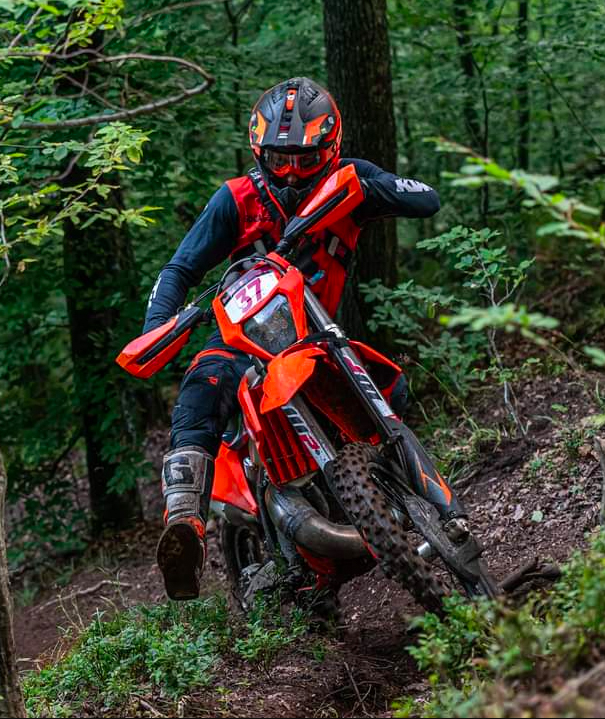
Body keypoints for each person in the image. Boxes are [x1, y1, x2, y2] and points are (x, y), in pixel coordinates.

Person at [148, 77, 441, 600]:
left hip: (317, 336)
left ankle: (408, 501)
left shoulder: (350, 182)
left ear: (331, 148)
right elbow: (179, 268)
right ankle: (184, 523)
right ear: (258, 151)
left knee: (389, 387)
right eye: (279, 160)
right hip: (243, 343)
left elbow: (427, 200)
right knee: (201, 381)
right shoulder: (235, 199)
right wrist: (159, 325)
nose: (290, 173)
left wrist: (373, 186)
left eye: (305, 161)